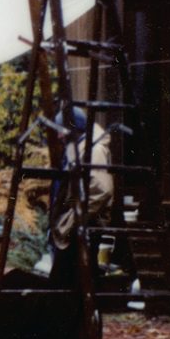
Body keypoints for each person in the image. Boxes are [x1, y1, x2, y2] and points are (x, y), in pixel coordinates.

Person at [47, 107, 114, 285]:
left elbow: (101, 190)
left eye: (62, 131)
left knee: (69, 284)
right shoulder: (77, 147)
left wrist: (71, 220)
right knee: (71, 285)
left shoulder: (94, 150)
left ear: (74, 129)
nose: (59, 136)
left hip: (83, 227)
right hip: (75, 226)